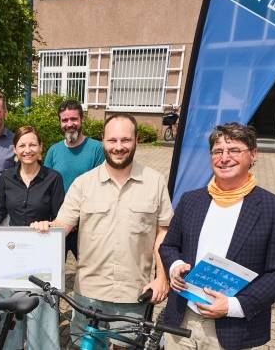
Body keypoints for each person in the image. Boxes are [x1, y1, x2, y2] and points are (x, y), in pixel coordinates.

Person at [32, 114, 174, 349]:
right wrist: (45, 227)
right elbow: (63, 226)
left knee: (125, 347)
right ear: (103, 141)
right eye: (113, 140)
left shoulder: (155, 182)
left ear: (137, 140)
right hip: (89, 294)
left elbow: (162, 234)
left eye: (126, 140)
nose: (119, 147)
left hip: (134, 293)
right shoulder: (83, 183)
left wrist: (161, 278)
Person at [161, 123, 275, 350]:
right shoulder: (191, 200)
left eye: (234, 150)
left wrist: (234, 305)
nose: (225, 158)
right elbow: (169, 246)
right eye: (217, 151)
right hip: (182, 318)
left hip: (231, 329)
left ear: (253, 155)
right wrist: (174, 267)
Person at [0, 126, 65, 350]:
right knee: (9, 316)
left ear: (41, 149)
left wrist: (49, 224)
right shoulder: (7, 177)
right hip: (11, 257)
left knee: (41, 316)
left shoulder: (53, 178)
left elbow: (62, 218)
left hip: (42, 257)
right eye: (22, 145)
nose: (27, 149)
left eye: (32, 144)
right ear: (15, 150)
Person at [43, 99, 104, 259]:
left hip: (86, 227)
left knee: (90, 274)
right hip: (58, 225)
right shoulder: (54, 151)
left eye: (74, 119)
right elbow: (46, 187)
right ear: (60, 122)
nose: (69, 124)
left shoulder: (97, 149)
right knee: (52, 272)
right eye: (65, 120)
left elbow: (100, 189)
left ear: (82, 119)